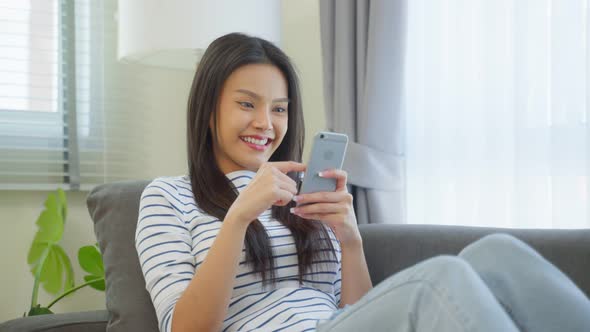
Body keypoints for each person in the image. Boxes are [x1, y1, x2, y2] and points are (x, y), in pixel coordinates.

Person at [135, 32, 590, 332]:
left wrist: (350, 240)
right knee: (440, 277)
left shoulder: (300, 195)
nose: (266, 123)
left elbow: (351, 314)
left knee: (498, 252)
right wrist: (237, 219)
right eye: (247, 104)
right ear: (208, 108)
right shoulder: (168, 197)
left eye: (278, 107)